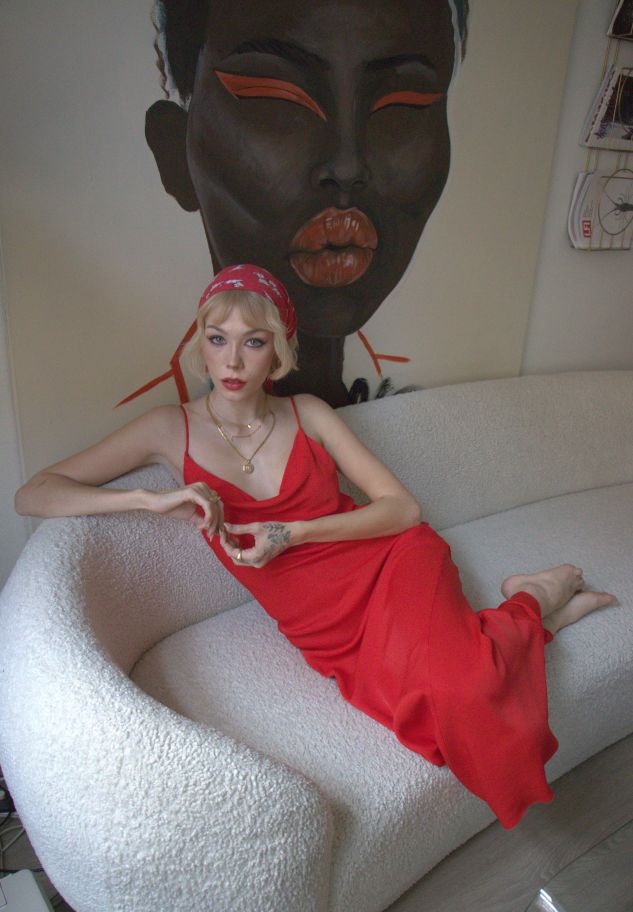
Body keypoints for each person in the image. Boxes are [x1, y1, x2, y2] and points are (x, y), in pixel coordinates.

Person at [15, 264, 618, 829]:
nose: (232, 360)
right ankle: (530, 619)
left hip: (391, 561)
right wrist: (147, 500)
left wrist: (294, 532)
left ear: (277, 351)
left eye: (253, 341)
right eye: (217, 339)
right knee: (436, 721)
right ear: (201, 344)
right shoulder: (166, 429)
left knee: (462, 696)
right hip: (322, 623)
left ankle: (531, 604)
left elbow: (402, 510)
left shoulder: (307, 413)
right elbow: (34, 493)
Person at [142, 0, 469, 406]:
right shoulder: (178, 423)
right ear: (175, 152)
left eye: (404, 105)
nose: (347, 166)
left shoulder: (399, 405)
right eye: (274, 97)